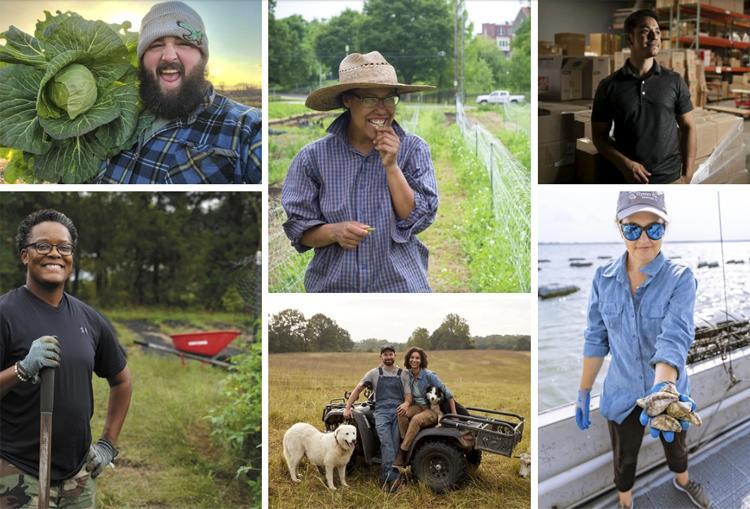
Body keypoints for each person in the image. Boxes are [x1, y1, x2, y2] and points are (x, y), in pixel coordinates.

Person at [575, 191, 711, 509]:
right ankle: (625, 502)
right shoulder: (602, 278)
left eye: (655, 228)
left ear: (666, 227)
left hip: (670, 392)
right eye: (633, 228)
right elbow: (596, 338)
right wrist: (583, 391)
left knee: (677, 447)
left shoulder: (681, 279)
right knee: (624, 459)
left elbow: (674, 337)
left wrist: (663, 389)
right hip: (621, 393)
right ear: (619, 227)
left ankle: (684, 481)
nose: (644, 239)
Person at [0, 210, 132, 508]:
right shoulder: (5, 314)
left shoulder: (90, 318)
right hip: (15, 472)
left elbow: (121, 380)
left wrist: (108, 444)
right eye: (42, 246)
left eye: (64, 247)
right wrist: (21, 370)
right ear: (25, 255)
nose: (54, 254)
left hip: (78, 475)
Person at [281, 51, 439, 292]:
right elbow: (299, 229)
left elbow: (417, 219)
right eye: (369, 99)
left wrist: (392, 166)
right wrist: (335, 231)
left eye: (389, 99)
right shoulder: (313, 158)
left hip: (399, 287)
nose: (382, 109)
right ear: (347, 100)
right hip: (334, 290)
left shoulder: (413, 149)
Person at [96, 1, 262, 184]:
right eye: (156, 45)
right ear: (142, 60)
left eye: (183, 43)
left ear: (202, 57)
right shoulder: (109, 116)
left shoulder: (248, 128)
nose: (169, 56)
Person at [591, 9, 696, 184]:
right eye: (646, 31)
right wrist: (625, 164)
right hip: (626, 179)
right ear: (630, 38)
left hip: (669, 179)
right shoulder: (609, 85)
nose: (654, 37)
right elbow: (599, 137)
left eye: (657, 31)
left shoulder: (675, 81)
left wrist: (687, 176)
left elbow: (689, 127)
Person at [343, 344, 410, 491]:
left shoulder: (403, 374)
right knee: (386, 443)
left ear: (395, 356)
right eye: (385, 355)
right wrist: (348, 407)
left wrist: (406, 404)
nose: (388, 357)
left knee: (393, 443)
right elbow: (358, 389)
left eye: (390, 354)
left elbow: (408, 396)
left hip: (398, 413)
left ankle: (388, 477)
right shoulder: (374, 373)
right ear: (381, 357)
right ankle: (389, 477)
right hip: (381, 413)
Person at [393, 347, 456, 467]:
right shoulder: (408, 374)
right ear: (408, 359)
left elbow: (448, 394)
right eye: (412, 357)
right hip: (417, 406)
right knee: (401, 412)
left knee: (416, 419)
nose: (414, 360)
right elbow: (396, 371)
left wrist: (455, 415)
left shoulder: (429, 375)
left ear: (421, 360)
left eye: (417, 358)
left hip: (432, 409)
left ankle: (403, 452)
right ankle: (407, 442)